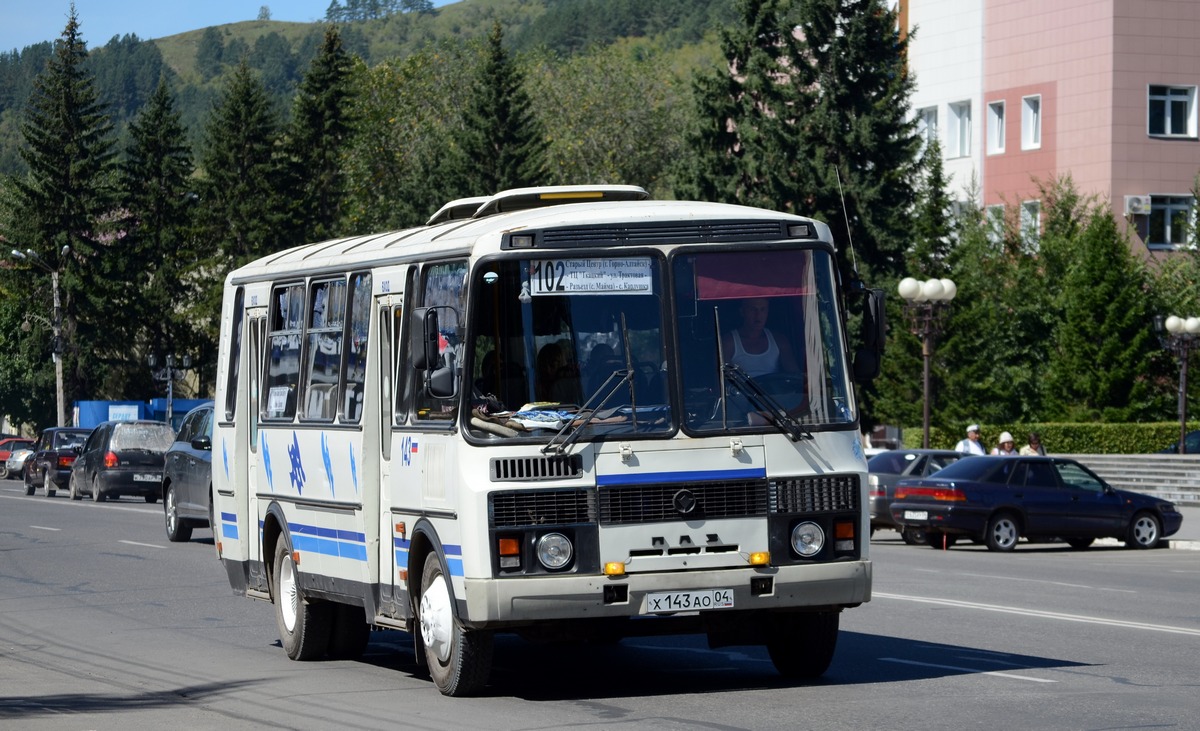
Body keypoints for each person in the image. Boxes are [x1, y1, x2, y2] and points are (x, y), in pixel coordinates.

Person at [720, 297, 800, 377]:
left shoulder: (779, 340)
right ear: (742, 312)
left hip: (773, 388)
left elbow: (795, 376)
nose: (758, 315)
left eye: (763, 309)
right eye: (753, 309)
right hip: (742, 389)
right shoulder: (728, 342)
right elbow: (722, 378)